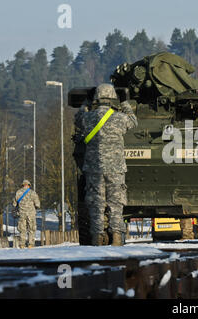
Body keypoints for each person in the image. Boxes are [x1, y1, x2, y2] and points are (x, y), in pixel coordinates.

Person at [76, 83, 138, 246]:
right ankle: (117, 235)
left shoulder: (89, 118)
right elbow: (133, 122)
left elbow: (78, 119)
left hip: (94, 168)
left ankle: (97, 235)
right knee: (116, 203)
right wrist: (124, 102)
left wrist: (86, 103)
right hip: (115, 168)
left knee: (96, 203)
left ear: (96, 98)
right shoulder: (119, 118)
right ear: (112, 98)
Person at [13, 180, 40, 248]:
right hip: (31, 214)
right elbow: (37, 204)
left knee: (22, 229)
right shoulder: (33, 193)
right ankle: (31, 244)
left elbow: (14, 204)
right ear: (29, 185)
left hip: (21, 213)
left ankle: (22, 244)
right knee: (31, 229)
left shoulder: (18, 192)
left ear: (22, 185)